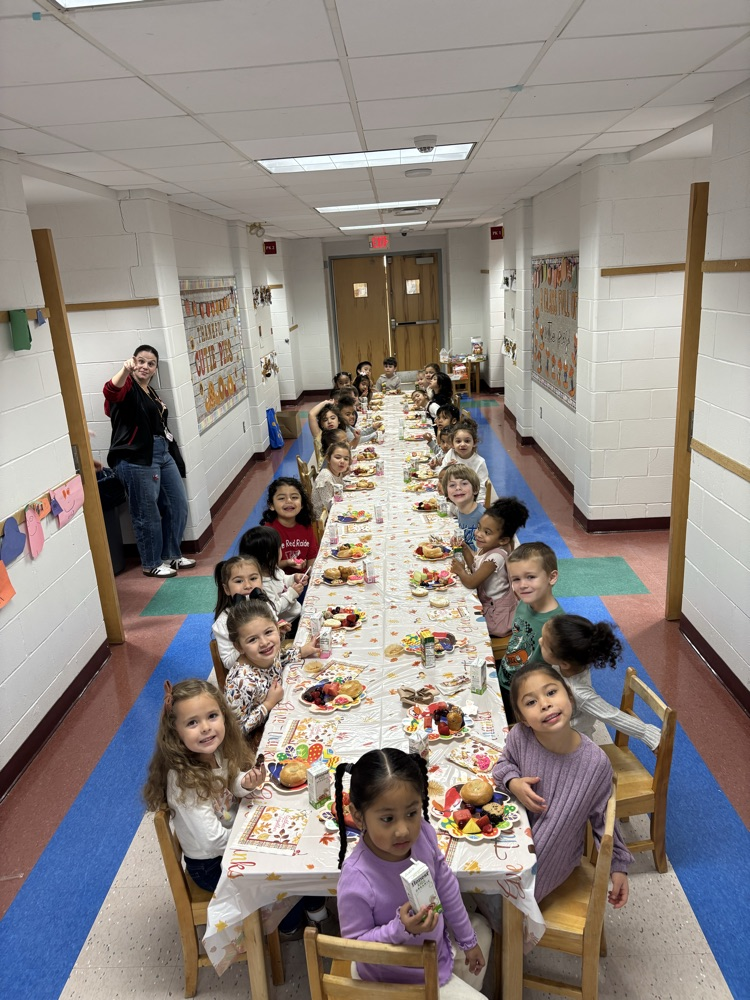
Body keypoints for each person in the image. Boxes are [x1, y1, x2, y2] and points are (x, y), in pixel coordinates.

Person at [335, 748, 490, 997]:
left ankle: (455, 980)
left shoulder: (423, 835)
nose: (403, 830)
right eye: (387, 819)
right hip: (394, 981)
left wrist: (468, 942)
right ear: (358, 816)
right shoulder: (357, 878)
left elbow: (445, 885)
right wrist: (401, 929)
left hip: (433, 953)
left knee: (481, 930)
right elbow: (354, 948)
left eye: (411, 813)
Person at [492, 664, 632, 905]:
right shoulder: (520, 737)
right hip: (510, 841)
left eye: (551, 692)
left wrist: (618, 866)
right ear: (523, 718)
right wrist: (513, 782)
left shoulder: (595, 763)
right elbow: (503, 764)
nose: (545, 704)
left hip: (550, 858)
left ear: (569, 696)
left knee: (502, 904)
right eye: (531, 702)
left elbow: (603, 818)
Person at [143, 678, 266, 891]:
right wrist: (252, 840)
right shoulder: (185, 782)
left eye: (212, 716)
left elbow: (229, 784)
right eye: (192, 722)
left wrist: (245, 783)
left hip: (229, 840)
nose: (206, 728)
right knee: (280, 883)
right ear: (175, 732)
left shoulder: (214, 751)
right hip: (210, 866)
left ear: (224, 716)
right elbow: (213, 841)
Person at [103, 345, 195, 578]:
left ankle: (171, 554)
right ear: (133, 362)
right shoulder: (126, 386)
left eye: (150, 363)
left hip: (162, 452)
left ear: (155, 369)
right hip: (136, 457)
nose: (145, 366)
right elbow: (111, 392)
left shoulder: (150, 391)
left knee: (177, 504)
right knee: (146, 512)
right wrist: (124, 371)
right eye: (141, 361)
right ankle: (151, 562)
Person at [539, 615, 661, 750]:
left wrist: (646, 733)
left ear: (564, 663)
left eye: (544, 644)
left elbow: (612, 715)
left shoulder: (579, 693)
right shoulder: (575, 663)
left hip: (571, 742)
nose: (540, 641)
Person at [499, 542, 565, 721]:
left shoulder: (557, 625)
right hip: (505, 677)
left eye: (530, 577)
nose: (522, 585)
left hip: (527, 695)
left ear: (551, 577)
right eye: (516, 579)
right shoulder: (524, 602)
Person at [451, 498, 529, 638]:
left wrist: (460, 571)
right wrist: (465, 548)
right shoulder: (488, 547)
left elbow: (471, 582)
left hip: (496, 617)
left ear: (503, 540)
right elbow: (475, 567)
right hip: (489, 605)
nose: (478, 533)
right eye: (479, 527)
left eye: (487, 532)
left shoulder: (496, 557)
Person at [238, 525, 306, 624]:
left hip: (296, 612)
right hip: (287, 624)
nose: (281, 550)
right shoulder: (260, 586)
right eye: (279, 548)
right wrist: (291, 594)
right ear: (269, 555)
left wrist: (293, 578)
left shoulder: (272, 568)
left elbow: (282, 579)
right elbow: (273, 610)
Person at [260, 476, 319, 571]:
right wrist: (287, 563)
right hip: (277, 579)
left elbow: (311, 557)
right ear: (271, 505)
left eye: (294, 497)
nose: (289, 501)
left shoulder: (306, 526)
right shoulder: (267, 532)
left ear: (302, 504)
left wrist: (310, 575)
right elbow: (265, 567)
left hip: (303, 578)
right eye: (281, 498)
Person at [439, 423, 490, 502]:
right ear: (452, 444)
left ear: (474, 442)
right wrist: (446, 469)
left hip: (470, 500)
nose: (462, 444)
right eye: (458, 441)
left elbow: (481, 488)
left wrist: (477, 504)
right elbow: (440, 476)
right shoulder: (451, 453)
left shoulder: (479, 462)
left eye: (467, 441)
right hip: (452, 496)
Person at [442, 464, 484, 551]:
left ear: (475, 489)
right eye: (452, 485)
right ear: (446, 492)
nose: (458, 488)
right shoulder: (460, 511)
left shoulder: (482, 516)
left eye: (464, 483)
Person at [311, 440, 352, 520]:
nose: (342, 461)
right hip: (325, 519)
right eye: (337, 457)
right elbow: (328, 505)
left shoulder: (337, 472)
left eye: (346, 459)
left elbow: (341, 489)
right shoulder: (325, 478)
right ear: (328, 459)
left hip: (337, 509)